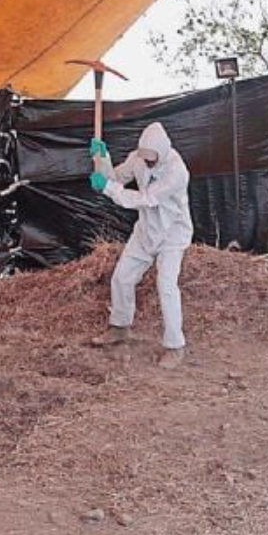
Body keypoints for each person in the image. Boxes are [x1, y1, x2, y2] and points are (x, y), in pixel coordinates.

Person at [88, 122, 194, 369]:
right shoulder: (138, 158)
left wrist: (108, 188)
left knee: (166, 286)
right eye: (144, 157)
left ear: (163, 152)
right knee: (122, 278)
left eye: (151, 159)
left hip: (172, 234)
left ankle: (175, 346)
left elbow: (145, 199)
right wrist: (102, 159)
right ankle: (120, 328)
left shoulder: (177, 171)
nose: (146, 163)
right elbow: (116, 177)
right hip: (146, 230)